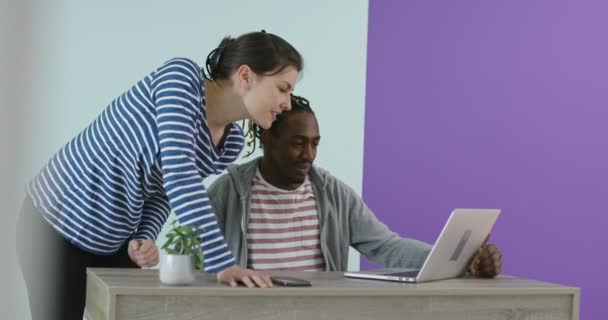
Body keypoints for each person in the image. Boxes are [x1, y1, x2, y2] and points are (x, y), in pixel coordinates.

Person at [16, 31, 302, 320]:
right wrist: (223, 264)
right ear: (245, 76)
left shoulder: (228, 144)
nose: (288, 103)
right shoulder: (179, 79)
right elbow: (180, 177)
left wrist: (143, 237)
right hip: (53, 225)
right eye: (283, 88)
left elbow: (163, 191)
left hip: (112, 244)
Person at [208, 95, 502, 275]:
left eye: (314, 144)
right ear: (268, 139)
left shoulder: (332, 194)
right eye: (298, 143)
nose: (308, 154)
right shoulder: (228, 192)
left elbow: (387, 247)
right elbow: (195, 262)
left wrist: (460, 260)